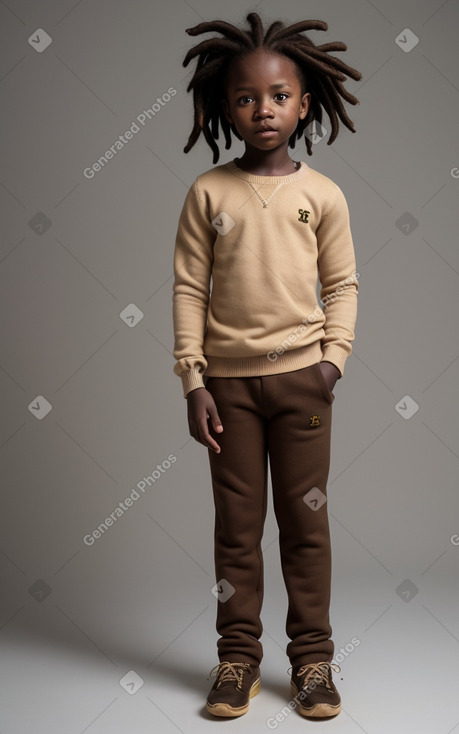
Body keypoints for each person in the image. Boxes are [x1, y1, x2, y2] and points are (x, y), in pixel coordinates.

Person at [172, 11, 361, 719]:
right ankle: (236, 660)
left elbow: (341, 285)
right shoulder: (208, 193)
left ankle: (312, 661)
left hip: (303, 386)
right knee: (236, 527)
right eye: (246, 97)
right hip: (227, 391)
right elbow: (189, 288)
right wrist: (194, 381)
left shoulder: (322, 196)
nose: (263, 109)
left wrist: (331, 364)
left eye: (279, 95)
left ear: (305, 102)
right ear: (226, 105)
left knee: (305, 524)